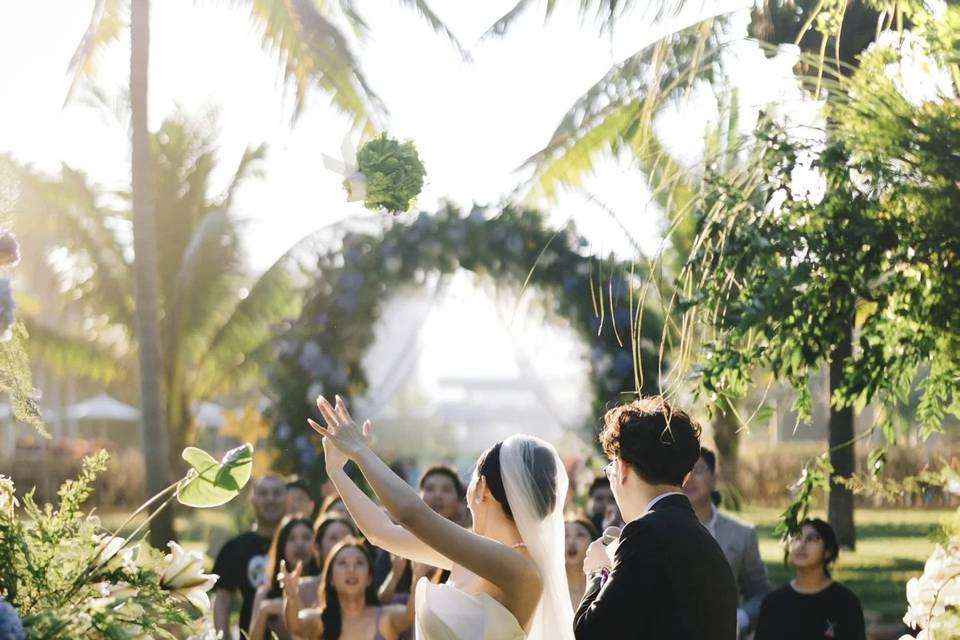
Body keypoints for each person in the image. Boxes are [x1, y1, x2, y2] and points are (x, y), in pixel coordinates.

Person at [310, 395, 574, 640]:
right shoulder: (472, 553)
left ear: (482, 488)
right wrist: (336, 472)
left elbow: (412, 514)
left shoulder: (520, 569)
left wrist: (361, 452)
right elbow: (380, 532)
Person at [574, 397, 738, 640]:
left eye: (611, 470)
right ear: (685, 476)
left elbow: (590, 632)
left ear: (622, 468)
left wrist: (598, 570)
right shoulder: (706, 540)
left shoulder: (644, 534)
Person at [683, 447, 769, 638]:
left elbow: (760, 592)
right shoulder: (659, 530)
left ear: (714, 479)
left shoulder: (742, 534)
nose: (689, 478)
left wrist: (741, 618)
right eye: (684, 471)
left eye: (698, 470)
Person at [281, 536, 423, 640]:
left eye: (359, 563)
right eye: (342, 563)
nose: (351, 570)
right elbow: (295, 625)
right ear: (330, 578)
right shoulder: (318, 621)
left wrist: (418, 576)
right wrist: (291, 597)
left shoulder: (385, 617)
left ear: (369, 578)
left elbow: (410, 615)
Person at [754, 519, 866, 640]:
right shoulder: (773, 604)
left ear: (828, 551)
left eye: (811, 539)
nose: (801, 545)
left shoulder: (845, 603)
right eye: (796, 538)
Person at [212, 473, 287, 638]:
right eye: (263, 493)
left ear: (288, 499)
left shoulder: (302, 544)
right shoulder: (235, 548)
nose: (270, 499)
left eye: (276, 493)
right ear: (252, 499)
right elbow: (222, 600)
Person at [249, 516, 318, 640]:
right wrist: (264, 610)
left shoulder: (322, 588)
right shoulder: (265, 592)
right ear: (281, 545)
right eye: (291, 539)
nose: (299, 544)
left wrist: (291, 605)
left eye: (306, 538)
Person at [564, 517, 598, 610]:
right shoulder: (549, 588)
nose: (571, 541)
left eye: (580, 535)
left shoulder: (602, 586)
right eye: (565, 535)